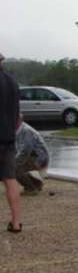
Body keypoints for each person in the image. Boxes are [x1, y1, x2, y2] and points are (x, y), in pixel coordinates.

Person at [0, 53, 22, 232]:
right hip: (8, 137)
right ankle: (16, 222)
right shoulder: (12, 82)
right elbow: (18, 116)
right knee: (10, 179)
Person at [15, 115, 50, 194]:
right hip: (32, 157)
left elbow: (26, 150)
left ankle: (31, 188)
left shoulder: (26, 130)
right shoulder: (17, 130)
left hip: (39, 159)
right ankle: (36, 184)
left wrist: (14, 162)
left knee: (13, 167)